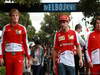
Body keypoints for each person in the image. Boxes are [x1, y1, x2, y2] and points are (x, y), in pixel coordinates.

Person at [0, 9, 30, 75]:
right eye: (13, 15)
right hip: (8, 56)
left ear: (19, 17)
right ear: (10, 17)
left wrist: (28, 57)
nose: (15, 17)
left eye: (17, 15)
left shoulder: (23, 28)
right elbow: (1, 43)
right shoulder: (5, 28)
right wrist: (1, 57)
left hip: (19, 55)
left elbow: (26, 44)